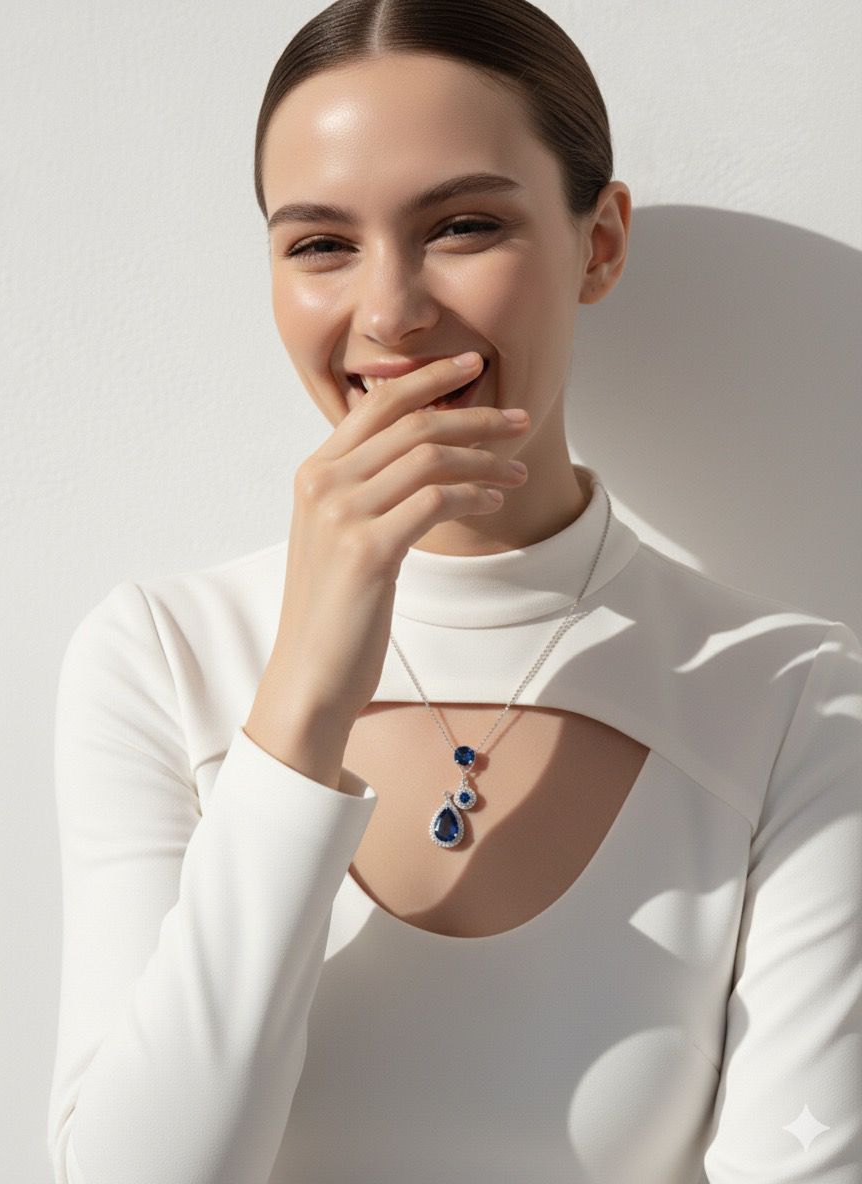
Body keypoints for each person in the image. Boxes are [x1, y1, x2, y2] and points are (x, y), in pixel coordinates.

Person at [46, 1, 862, 1181]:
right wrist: (302, 705)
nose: (389, 312)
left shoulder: (795, 700)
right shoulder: (159, 658)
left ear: (602, 242)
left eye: (464, 224)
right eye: (320, 244)